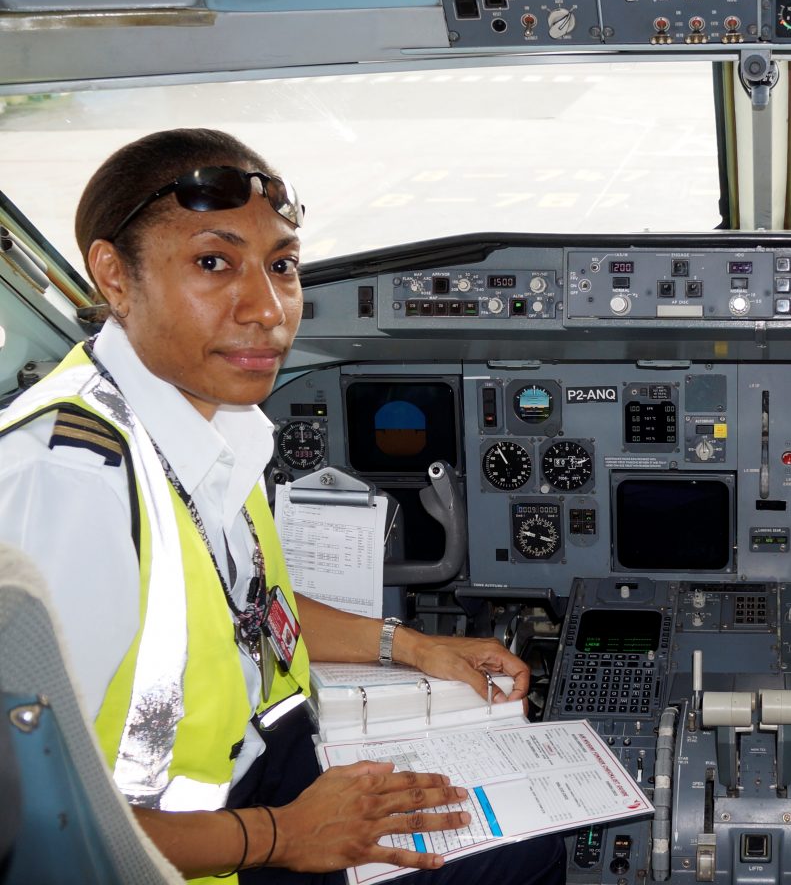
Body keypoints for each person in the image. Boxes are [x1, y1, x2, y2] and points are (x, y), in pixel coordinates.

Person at [0, 129, 566, 885]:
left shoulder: (201, 426)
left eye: (282, 266)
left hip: (265, 767)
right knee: (517, 861)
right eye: (212, 263)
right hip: (187, 851)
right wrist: (280, 835)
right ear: (114, 276)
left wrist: (414, 646)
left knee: (522, 823)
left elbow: (244, 613)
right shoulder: (71, 484)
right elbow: (33, 826)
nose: (267, 309)